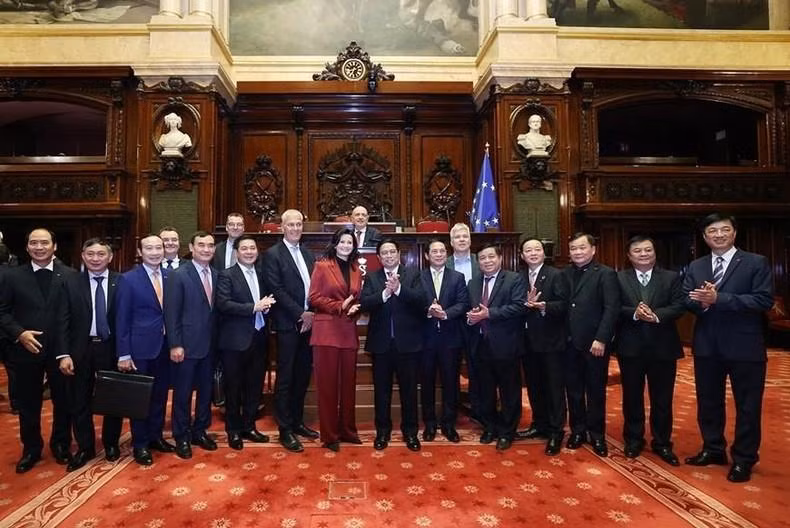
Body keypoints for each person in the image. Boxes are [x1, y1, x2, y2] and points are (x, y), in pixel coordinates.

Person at [682, 213, 773, 483]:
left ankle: (744, 458)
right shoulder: (697, 266)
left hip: (745, 344)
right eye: (712, 231)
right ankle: (713, 449)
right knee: (708, 401)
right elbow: (687, 299)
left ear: (734, 233)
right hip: (707, 344)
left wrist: (719, 298)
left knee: (748, 405)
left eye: (724, 230)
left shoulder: (756, 262)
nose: (718, 235)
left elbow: (763, 300)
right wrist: (702, 302)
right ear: (705, 236)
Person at [0, 228, 74, 473]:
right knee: (28, 403)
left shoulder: (70, 275)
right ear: (27, 247)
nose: (39, 247)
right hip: (25, 348)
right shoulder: (11, 276)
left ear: (55, 246)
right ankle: (31, 448)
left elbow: (76, 315)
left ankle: (61, 444)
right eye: (34, 243)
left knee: (63, 401)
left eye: (44, 243)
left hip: (60, 350)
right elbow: (2, 311)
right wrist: (19, 333)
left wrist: (68, 349)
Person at [616, 235, 685, 466]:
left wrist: (656, 316)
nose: (643, 254)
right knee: (632, 396)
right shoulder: (619, 278)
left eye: (648, 250)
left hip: (663, 347)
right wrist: (634, 313)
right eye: (638, 251)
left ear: (655, 253)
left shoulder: (671, 278)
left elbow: (679, 305)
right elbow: (613, 307)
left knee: (662, 398)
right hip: (631, 347)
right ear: (629, 255)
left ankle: (662, 442)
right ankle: (634, 439)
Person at [360, 239, 427, 452]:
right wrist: (385, 294)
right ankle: (382, 431)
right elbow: (365, 303)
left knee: (409, 391)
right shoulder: (372, 277)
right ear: (378, 257)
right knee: (382, 391)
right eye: (384, 253)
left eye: (392, 252)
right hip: (381, 345)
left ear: (399, 254)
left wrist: (399, 290)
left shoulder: (413, 274)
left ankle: (410, 432)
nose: (388, 256)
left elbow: (421, 299)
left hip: (408, 344)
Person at [261, 209, 319, 452]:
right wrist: (300, 313)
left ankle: (296, 421)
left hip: (309, 325)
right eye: (291, 225)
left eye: (298, 224)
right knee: (285, 378)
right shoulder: (273, 255)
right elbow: (276, 288)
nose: (295, 228)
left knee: (302, 376)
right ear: (282, 227)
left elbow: (315, 286)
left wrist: (312, 312)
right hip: (287, 324)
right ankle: (284, 429)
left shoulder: (307, 253)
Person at [63, 238, 123, 471]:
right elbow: (62, 320)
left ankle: (110, 443)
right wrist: (63, 354)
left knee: (114, 398)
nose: (95, 258)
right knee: (80, 399)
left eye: (101, 254)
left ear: (110, 257)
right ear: (83, 256)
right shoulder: (71, 283)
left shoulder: (122, 281)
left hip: (111, 347)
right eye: (91, 254)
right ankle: (85, 447)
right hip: (81, 348)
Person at [115, 234, 176, 466]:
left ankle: (156, 436)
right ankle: (140, 444)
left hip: (165, 347)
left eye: (158, 248)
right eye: (149, 248)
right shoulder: (128, 279)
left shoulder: (171, 277)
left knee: (160, 396)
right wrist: (124, 353)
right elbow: (122, 319)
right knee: (141, 398)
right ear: (141, 252)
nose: (154, 252)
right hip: (139, 349)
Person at [562, 232, 619, 457]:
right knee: (573, 391)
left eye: (581, 248)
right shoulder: (564, 274)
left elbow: (611, 308)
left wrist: (602, 338)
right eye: (573, 248)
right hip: (568, 343)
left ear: (593, 249)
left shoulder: (605, 274)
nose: (577, 252)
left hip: (595, 343)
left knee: (595, 391)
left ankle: (597, 435)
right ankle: (577, 431)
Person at [216, 235, 275, 450]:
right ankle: (233, 430)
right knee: (233, 388)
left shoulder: (261, 275)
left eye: (252, 248)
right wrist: (253, 307)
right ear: (236, 252)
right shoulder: (226, 275)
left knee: (254, 387)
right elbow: (223, 304)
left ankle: (249, 426)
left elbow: (267, 299)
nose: (249, 252)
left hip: (259, 338)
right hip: (234, 342)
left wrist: (267, 306)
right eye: (244, 248)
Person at [466, 243, 527, 451]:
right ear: (478, 261)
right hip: (480, 345)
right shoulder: (473, 283)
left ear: (500, 258)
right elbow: (471, 310)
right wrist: (472, 319)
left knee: (509, 391)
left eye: (491, 257)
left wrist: (489, 314)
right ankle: (489, 427)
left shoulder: (514, 279)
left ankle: (507, 431)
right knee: (486, 391)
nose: (487, 261)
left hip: (506, 345)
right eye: (482, 258)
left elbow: (519, 307)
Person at [164, 231, 219, 459]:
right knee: (183, 393)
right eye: (201, 245)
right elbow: (172, 312)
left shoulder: (217, 274)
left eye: (210, 245)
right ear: (191, 247)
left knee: (206, 392)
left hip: (211, 345)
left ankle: (200, 431)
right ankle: (181, 435)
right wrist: (175, 344)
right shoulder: (179, 274)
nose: (206, 249)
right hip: (186, 346)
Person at [308, 228, 363, 452]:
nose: (346, 245)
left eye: (350, 242)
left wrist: (355, 308)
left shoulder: (356, 269)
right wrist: (339, 306)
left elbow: (355, 298)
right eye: (342, 242)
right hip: (326, 332)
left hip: (348, 331)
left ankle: (348, 431)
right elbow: (313, 297)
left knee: (348, 386)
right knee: (328, 387)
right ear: (335, 243)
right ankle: (330, 436)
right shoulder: (322, 266)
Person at [518, 237, 569, 456]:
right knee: (534, 385)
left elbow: (564, 304)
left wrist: (544, 306)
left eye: (536, 249)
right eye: (528, 250)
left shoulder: (556, 275)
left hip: (551, 341)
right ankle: (539, 424)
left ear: (544, 252)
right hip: (527, 342)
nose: (533, 253)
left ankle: (556, 431)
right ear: (522, 255)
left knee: (554, 388)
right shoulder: (519, 277)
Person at [419, 239, 469, 443]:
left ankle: (449, 425)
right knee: (427, 383)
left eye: (442, 251)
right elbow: (413, 302)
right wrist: (428, 311)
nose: (438, 254)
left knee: (451, 384)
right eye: (434, 251)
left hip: (451, 338)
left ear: (446, 255)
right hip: (425, 340)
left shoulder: (458, 277)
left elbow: (463, 303)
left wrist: (445, 314)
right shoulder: (417, 277)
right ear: (426, 256)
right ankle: (430, 425)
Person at [446, 222, 482, 423]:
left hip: (478, 322)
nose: (461, 240)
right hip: (452, 322)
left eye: (465, 236)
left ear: (470, 240)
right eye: (457, 237)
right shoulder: (445, 262)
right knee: (451, 367)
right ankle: (452, 410)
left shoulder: (482, 260)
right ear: (451, 242)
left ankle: (479, 409)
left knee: (477, 366)